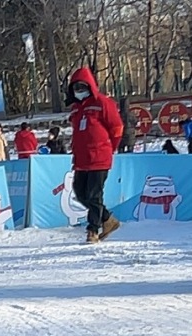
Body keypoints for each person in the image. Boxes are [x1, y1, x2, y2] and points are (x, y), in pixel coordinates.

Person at [67, 66, 124, 243]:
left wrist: (109, 148)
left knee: (94, 194)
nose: (79, 91)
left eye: (82, 87)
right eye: (76, 88)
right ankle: (107, 219)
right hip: (82, 159)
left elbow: (117, 128)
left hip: (99, 157)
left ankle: (93, 230)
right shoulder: (76, 109)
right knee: (80, 193)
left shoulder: (103, 103)